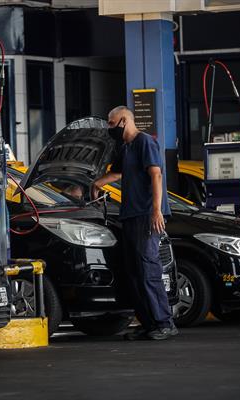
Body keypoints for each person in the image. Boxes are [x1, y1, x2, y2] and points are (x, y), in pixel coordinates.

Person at [92, 105, 176, 341]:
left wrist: (157, 211)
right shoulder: (126, 147)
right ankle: (149, 324)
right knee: (134, 273)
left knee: (148, 270)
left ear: (124, 120)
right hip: (130, 216)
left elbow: (156, 175)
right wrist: (96, 184)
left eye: (111, 123)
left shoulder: (144, 141)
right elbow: (117, 174)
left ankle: (164, 323)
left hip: (146, 215)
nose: (110, 127)